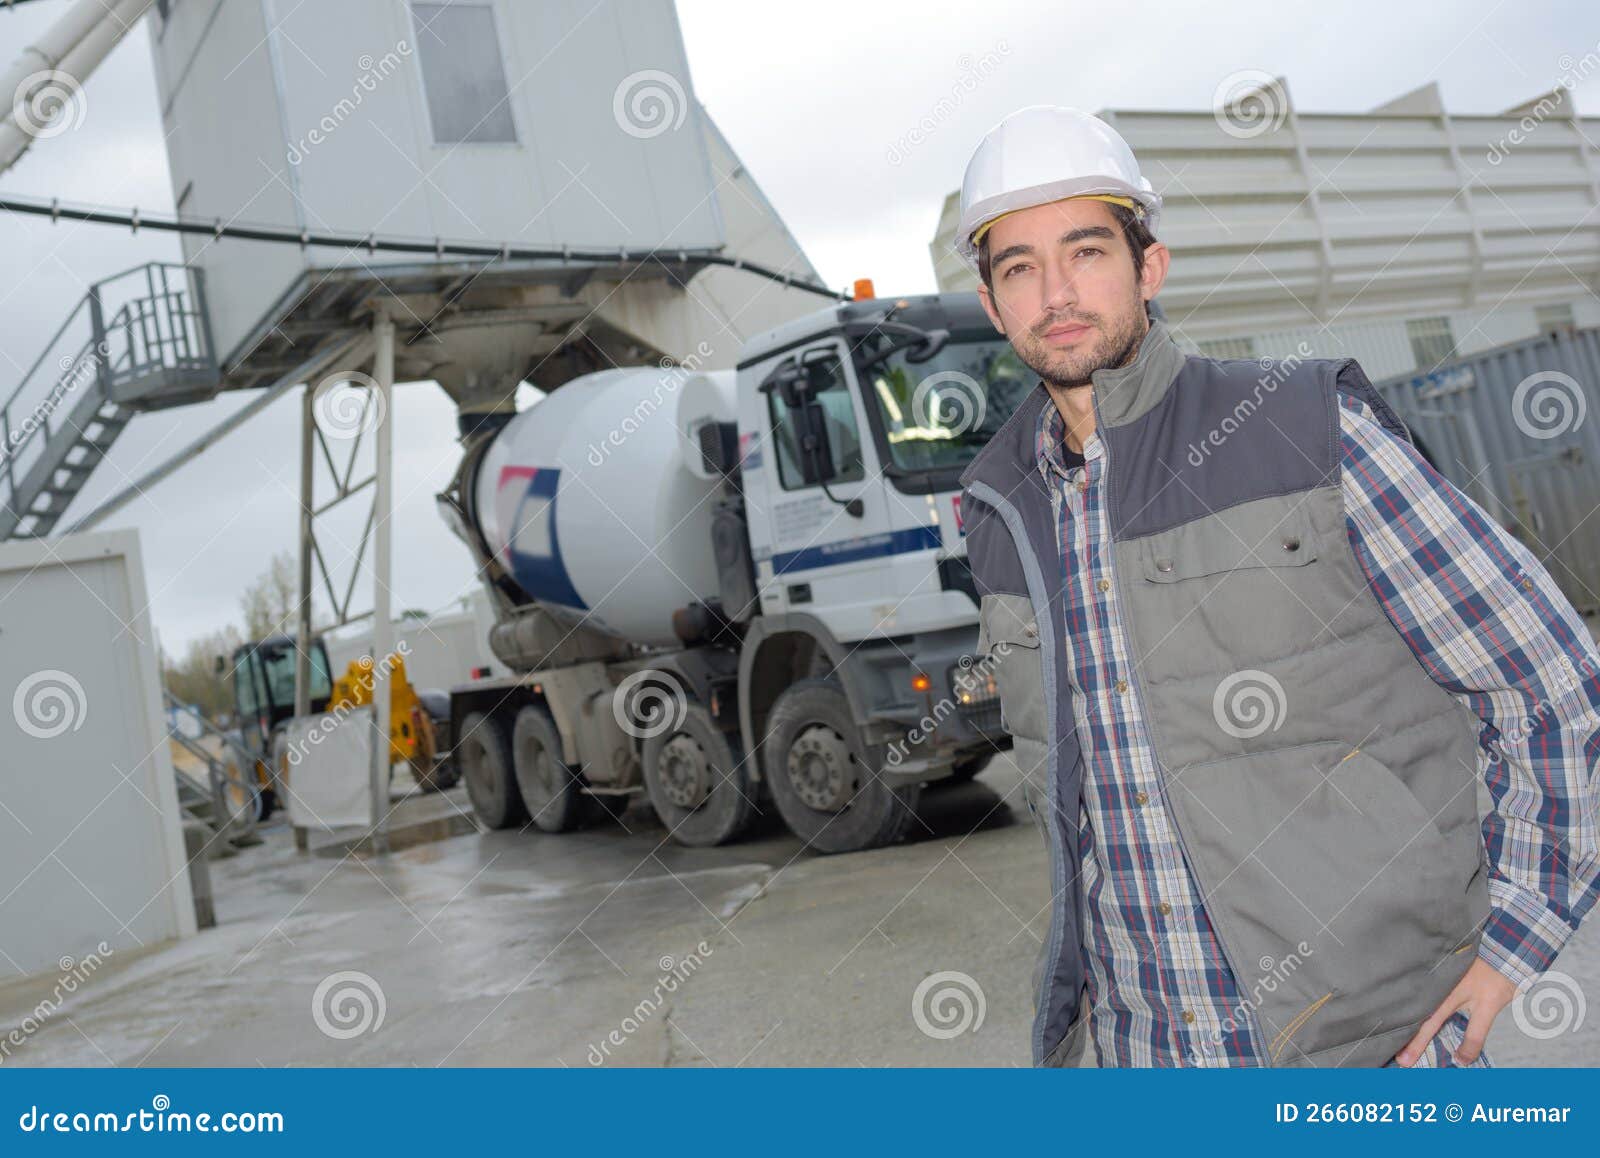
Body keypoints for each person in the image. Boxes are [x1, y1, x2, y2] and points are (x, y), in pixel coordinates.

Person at [955, 105, 1600, 1068]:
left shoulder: (1305, 432)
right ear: (991, 303)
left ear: (1149, 267)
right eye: (1019, 267)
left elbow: (1552, 685)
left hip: (1365, 1052)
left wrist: (1514, 939)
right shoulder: (999, 514)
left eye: (1086, 250)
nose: (1055, 291)